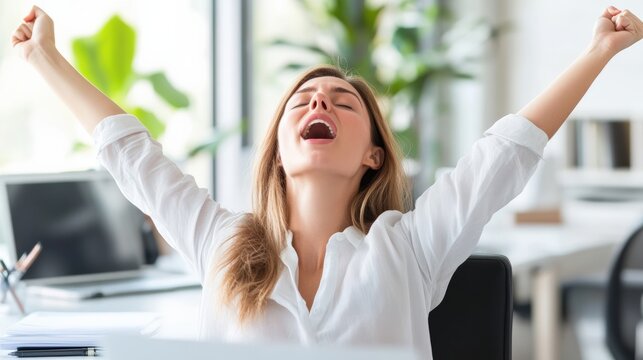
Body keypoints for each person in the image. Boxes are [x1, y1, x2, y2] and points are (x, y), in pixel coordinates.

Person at [10, 4, 643, 357]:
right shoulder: (222, 244)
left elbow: (503, 155)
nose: (319, 106)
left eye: (343, 103)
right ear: (280, 152)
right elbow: (132, 155)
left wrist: (599, 54)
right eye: (302, 102)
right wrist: (44, 57)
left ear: (372, 154)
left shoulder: (410, 248)